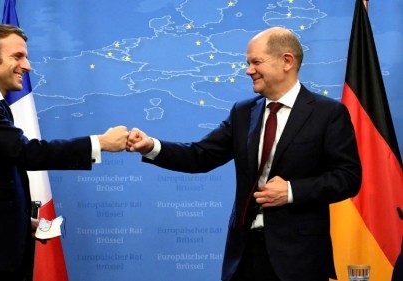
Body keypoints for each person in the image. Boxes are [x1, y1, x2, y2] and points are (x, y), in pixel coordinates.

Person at [127, 27, 362, 281]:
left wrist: (292, 191)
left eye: (256, 62)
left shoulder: (328, 114)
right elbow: (200, 155)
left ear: (287, 61)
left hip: (298, 259)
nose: (248, 70)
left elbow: (348, 178)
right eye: (248, 63)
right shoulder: (243, 112)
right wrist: (151, 146)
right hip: (243, 256)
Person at [0, 23, 129, 281]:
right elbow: (25, 152)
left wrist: (18, 222)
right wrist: (99, 143)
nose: (27, 66)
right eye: (17, 56)